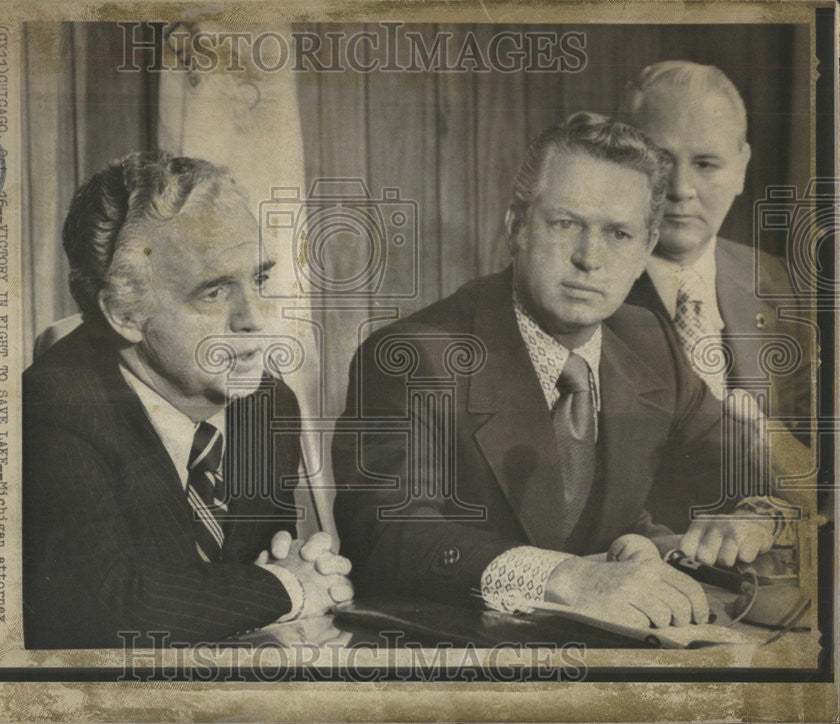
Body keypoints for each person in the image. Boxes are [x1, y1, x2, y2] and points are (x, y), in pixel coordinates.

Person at [332, 112, 786, 630]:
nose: (590, 258)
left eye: (618, 233)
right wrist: (569, 580)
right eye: (566, 224)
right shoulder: (415, 356)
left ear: (644, 250)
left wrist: (749, 513)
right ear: (516, 227)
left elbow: (741, 468)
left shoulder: (648, 341)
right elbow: (387, 536)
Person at [23, 153, 352, 649]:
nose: (255, 318)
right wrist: (290, 586)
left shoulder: (267, 402)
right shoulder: (53, 406)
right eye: (215, 292)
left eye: (259, 280)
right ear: (125, 314)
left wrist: (287, 571)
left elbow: (245, 579)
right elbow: (108, 606)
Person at [619, 61, 812, 428]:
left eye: (706, 164)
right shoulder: (580, 287)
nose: (680, 190)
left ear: (741, 169)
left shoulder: (774, 283)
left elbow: (813, 451)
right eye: (660, 161)